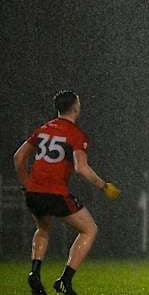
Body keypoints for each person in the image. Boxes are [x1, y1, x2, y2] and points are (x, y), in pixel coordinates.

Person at [13, 90, 120, 295]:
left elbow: (18, 158)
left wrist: (27, 185)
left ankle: (34, 273)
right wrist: (104, 186)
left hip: (34, 192)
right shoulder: (75, 133)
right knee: (89, 229)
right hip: (55, 192)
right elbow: (81, 168)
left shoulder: (43, 129)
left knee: (43, 228)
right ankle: (64, 280)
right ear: (76, 107)